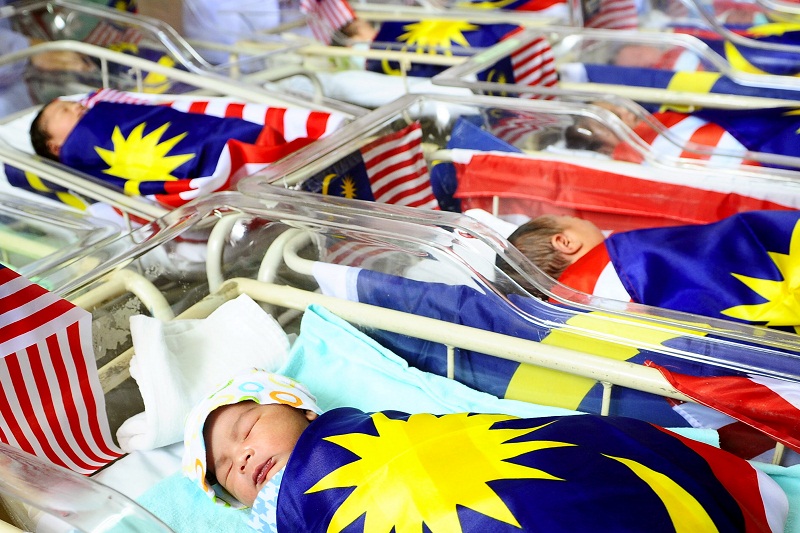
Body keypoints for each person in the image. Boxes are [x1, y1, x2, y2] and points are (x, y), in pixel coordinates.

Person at [183, 369, 787, 532]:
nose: (239, 457)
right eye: (225, 472)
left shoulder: (347, 433)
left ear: (302, 410)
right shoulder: (286, 520)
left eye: (247, 426)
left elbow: (453, 439)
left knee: (571, 482)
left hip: (462, 468)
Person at [502, 210, 800, 331]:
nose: (577, 216)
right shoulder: (626, 252)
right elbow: (718, 245)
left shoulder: (589, 321)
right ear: (565, 241)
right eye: (568, 217)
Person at [28, 94, 320, 207]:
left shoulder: (104, 111)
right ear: (55, 146)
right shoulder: (76, 158)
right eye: (65, 110)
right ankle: (233, 157)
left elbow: (165, 120)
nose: (79, 105)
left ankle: (243, 148)